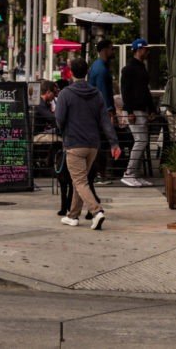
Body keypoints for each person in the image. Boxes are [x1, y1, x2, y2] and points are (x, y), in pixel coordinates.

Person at [54, 57, 120, 230]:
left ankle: (97, 211)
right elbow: (105, 121)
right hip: (93, 145)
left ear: (71, 72)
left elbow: (59, 119)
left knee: (79, 181)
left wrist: (64, 131)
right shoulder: (97, 94)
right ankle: (73, 215)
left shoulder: (65, 94)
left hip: (74, 143)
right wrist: (114, 143)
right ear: (87, 72)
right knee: (80, 180)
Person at [120, 38, 155, 187]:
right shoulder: (129, 69)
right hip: (134, 110)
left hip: (140, 109)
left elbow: (145, 90)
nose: (147, 52)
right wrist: (129, 111)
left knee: (142, 141)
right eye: (145, 49)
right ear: (139, 49)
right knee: (141, 141)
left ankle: (135, 174)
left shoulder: (140, 67)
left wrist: (151, 108)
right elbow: (125, 91)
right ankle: (129, 173)